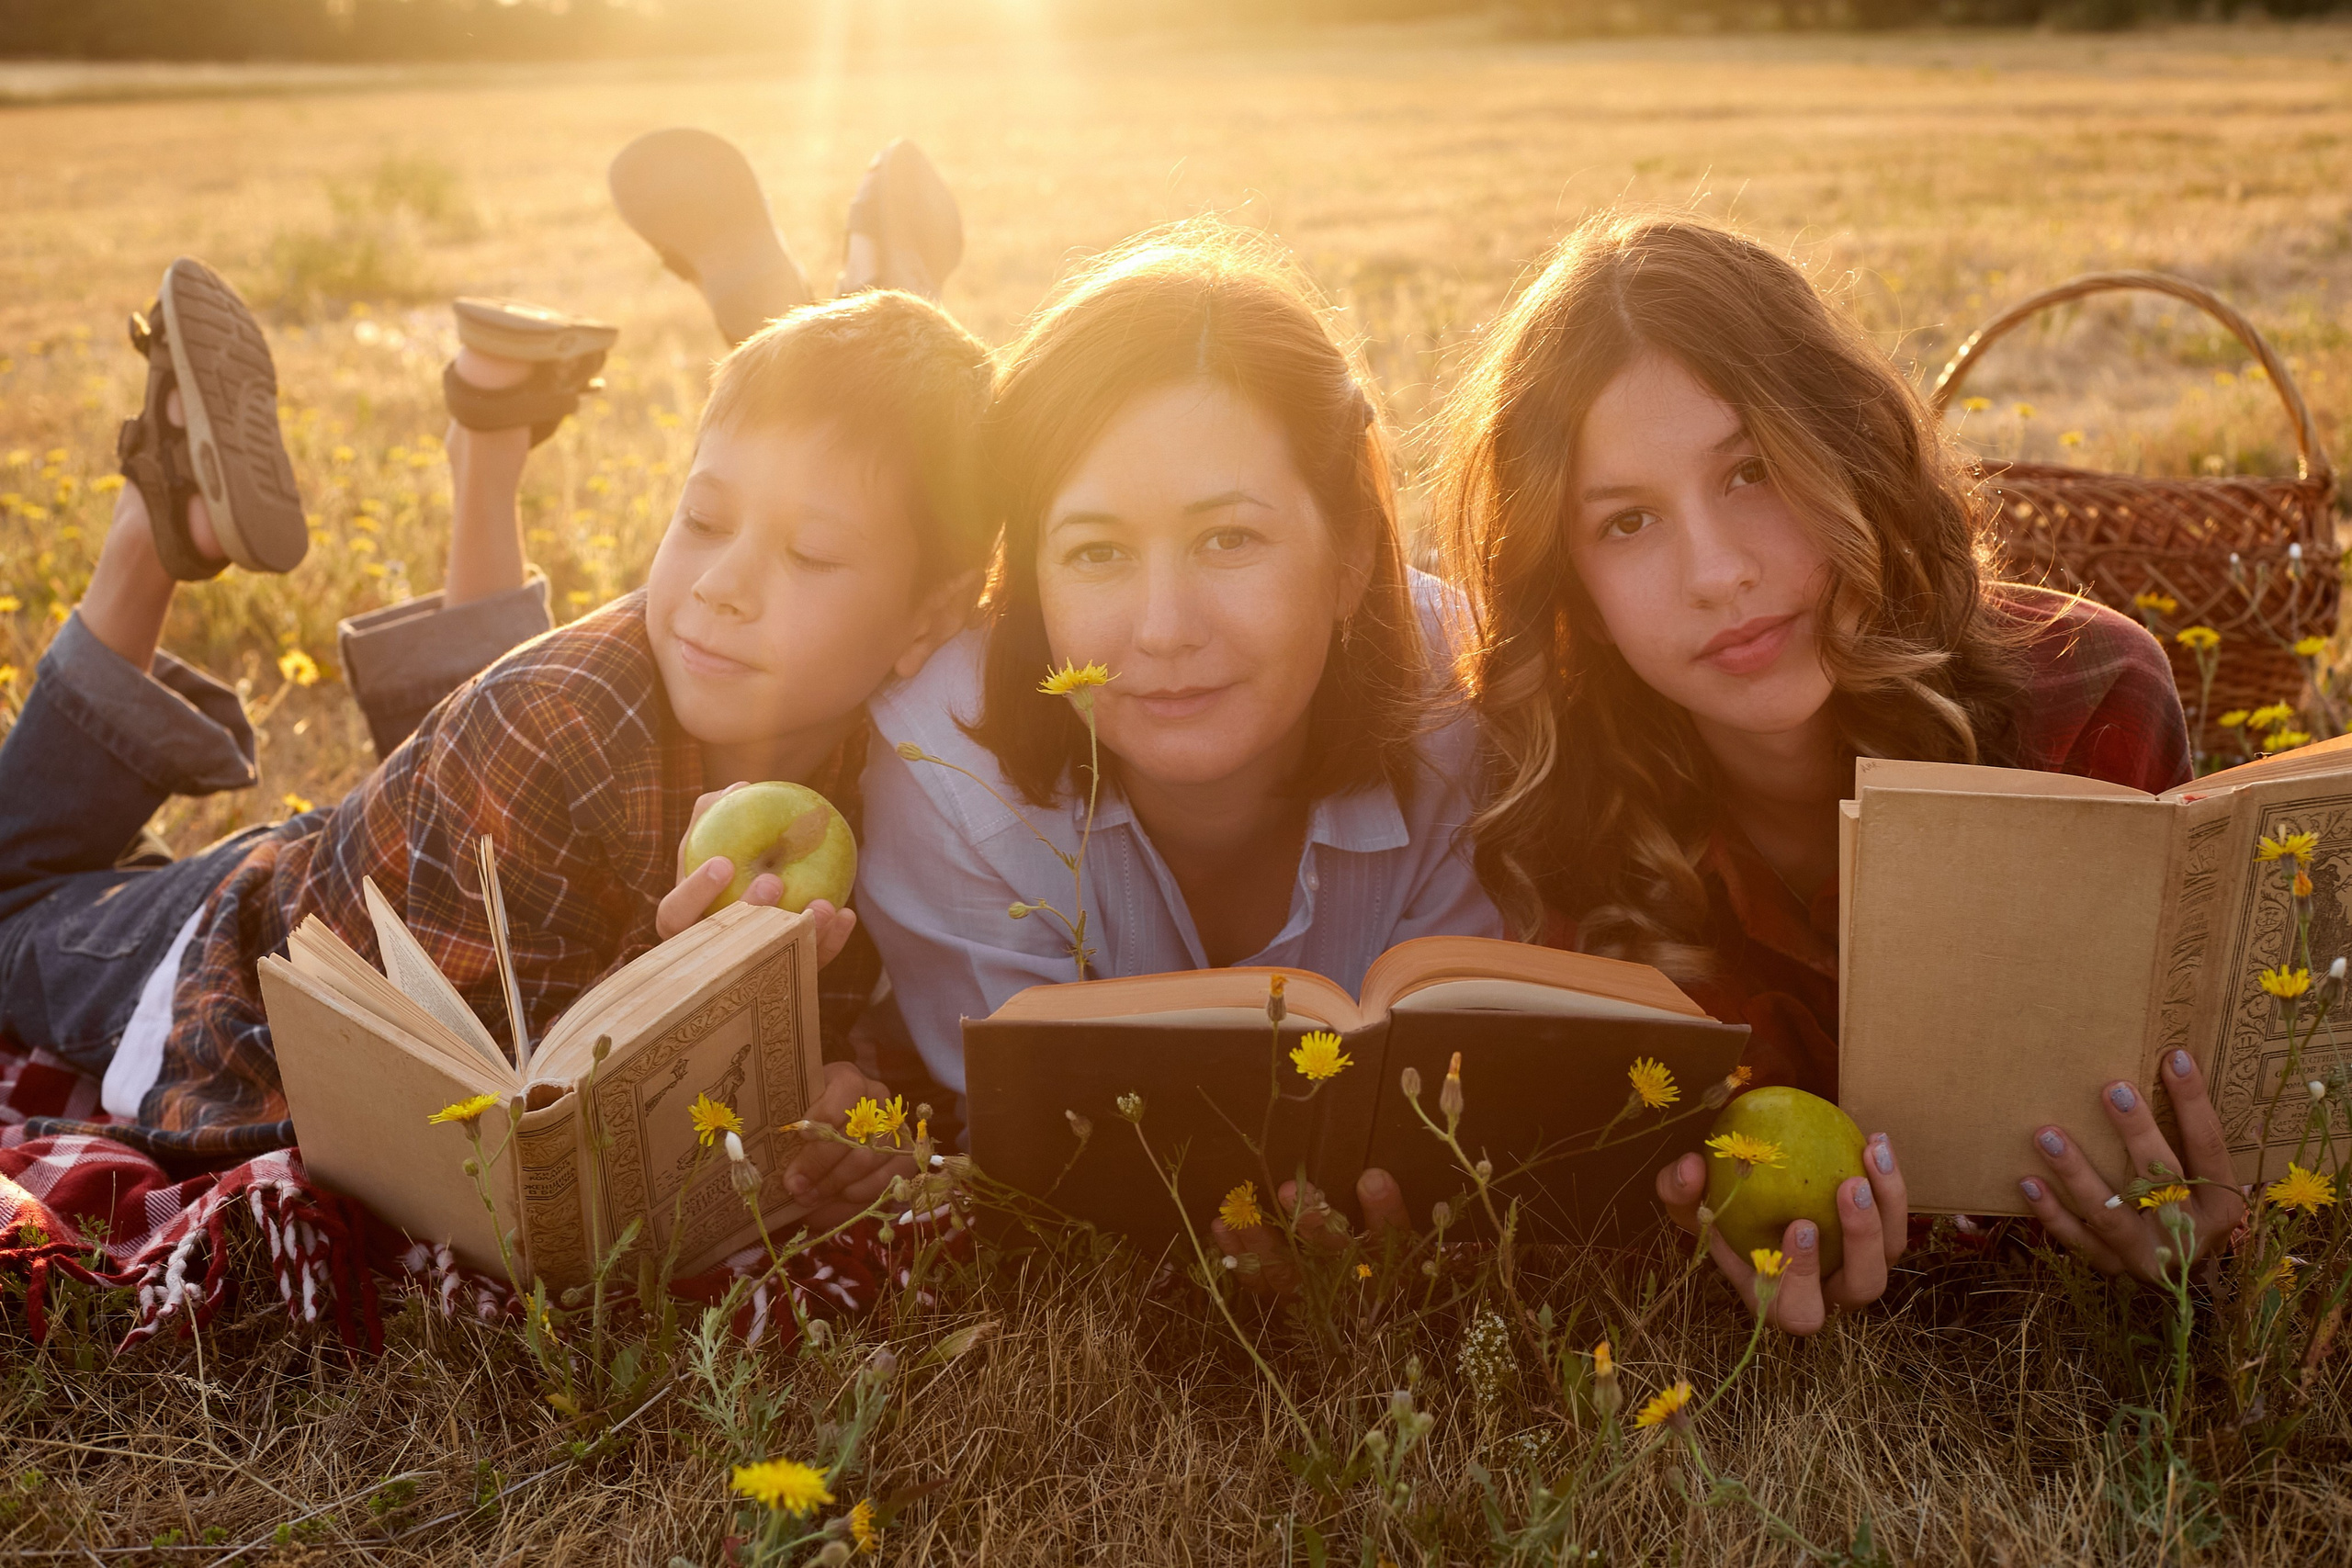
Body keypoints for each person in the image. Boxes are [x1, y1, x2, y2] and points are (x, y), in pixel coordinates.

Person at [6, 139, 981, 1229]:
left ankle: (517, 426)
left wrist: (860, 1096)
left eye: (810, 556)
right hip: (215, 962)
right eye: (700, 521)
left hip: (410, 853)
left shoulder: (930, 742)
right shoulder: (555, 725)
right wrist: (683, 986)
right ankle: (158, 517)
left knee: (485, 742)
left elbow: (928, 1005)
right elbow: (494, 1119)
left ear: (926, 621)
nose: (721, 588)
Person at [1432, 211, 2238, 1331]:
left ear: (1848, 447)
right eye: (1625, 523)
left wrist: (2185, 1208)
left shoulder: (2086, 697)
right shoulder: (1557, 814)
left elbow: (2170, 1093)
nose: (1717, 573)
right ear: (1572, 591)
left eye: (1751, 470)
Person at [854, 224, 1503, 1131]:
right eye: (1096, 551)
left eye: (1228, 539)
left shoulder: (1470, 692)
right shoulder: (943, 762)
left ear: (1351, 550)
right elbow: (1035, 1130)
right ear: (1034, 577)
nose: (1163, 631)